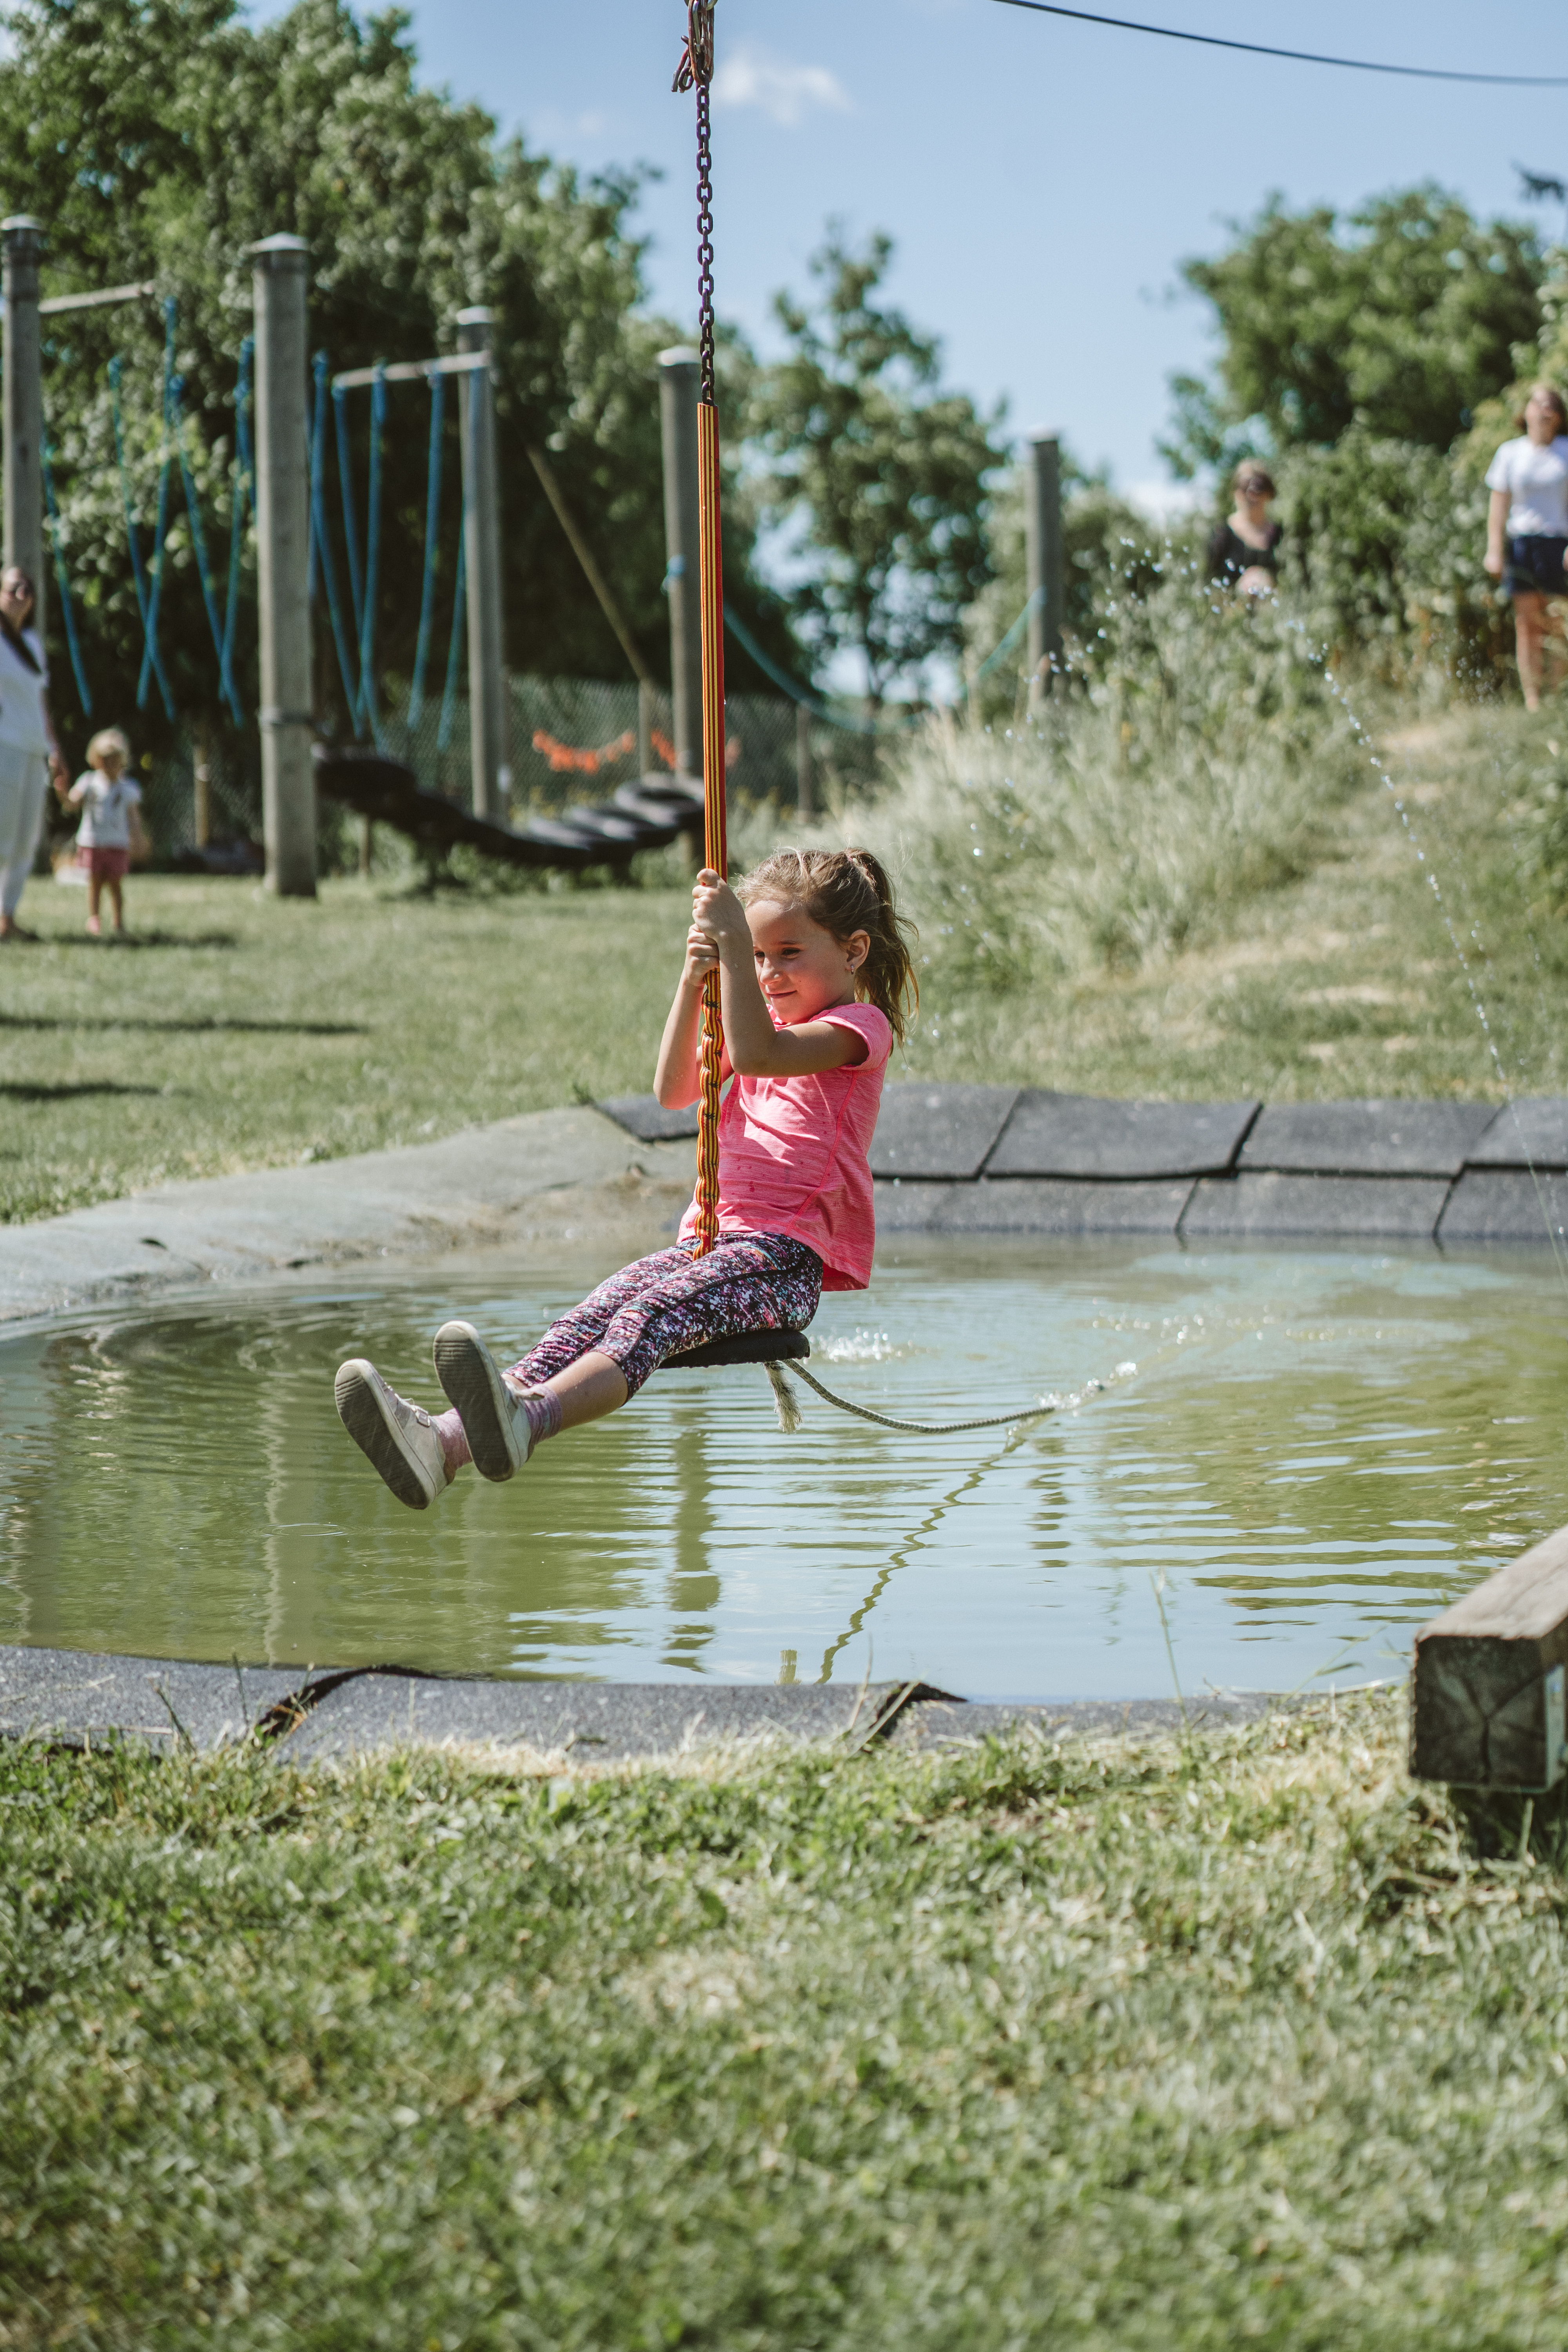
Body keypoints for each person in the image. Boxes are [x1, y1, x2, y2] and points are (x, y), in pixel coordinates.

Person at [333, 847, 917, 1510]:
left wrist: (731, 948)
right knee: (586, 1321)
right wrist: (694, 979)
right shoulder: (758, 1020)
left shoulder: (854, 1027)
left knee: (647, 1319)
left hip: (781, 1258)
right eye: (757, 956)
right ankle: (443, 1445)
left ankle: (533, 1419)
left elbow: (760, 1055)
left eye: (788, 953)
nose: (767, 972)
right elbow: (672, 1090)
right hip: (709, 1247)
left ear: (854, 951)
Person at [1484, 382, 1568, 710]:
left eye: (1551, 406)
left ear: (1559, 417)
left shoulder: (1567, 451)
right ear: (1527, 412)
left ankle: (1557, 694)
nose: (1544, 411)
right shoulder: (1509, 453)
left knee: (1557, 622)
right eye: (1538, 404)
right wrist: (1494, 550)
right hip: (1521, 543)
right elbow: (1498, 507)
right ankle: (1534, 701)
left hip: (1558, 544)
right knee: (1527, 624)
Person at [0, 565, 67, 939]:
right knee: (2, 834)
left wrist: (55, 749)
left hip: (32, 748)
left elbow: (41, 702)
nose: (21, 595)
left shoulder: (33, 646)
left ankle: (7, 917)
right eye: (13, 589)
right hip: (4, 746)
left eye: (28, 589)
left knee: (26, 840)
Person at [58, 727, 147, 937]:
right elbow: (72, 804)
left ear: (123, 760)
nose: (110, 764)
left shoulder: (128, 788)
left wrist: (139, 838)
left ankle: (118, 921)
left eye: (115, 759)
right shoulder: (89, 782)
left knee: (116, 884)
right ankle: (94, 919)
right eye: (105, 759)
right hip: (92, 842)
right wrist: (61, 793)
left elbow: (134, 818)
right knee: (95, 883)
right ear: (95, 760)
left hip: (117, 844)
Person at [1207, 463, 1283, 595]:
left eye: (1259, 486)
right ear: (1235, 493)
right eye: (1244, 486)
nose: (1251, 493)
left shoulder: (1282, 536)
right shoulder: (1221, 536)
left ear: (1269, 492)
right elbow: (1210, 583)